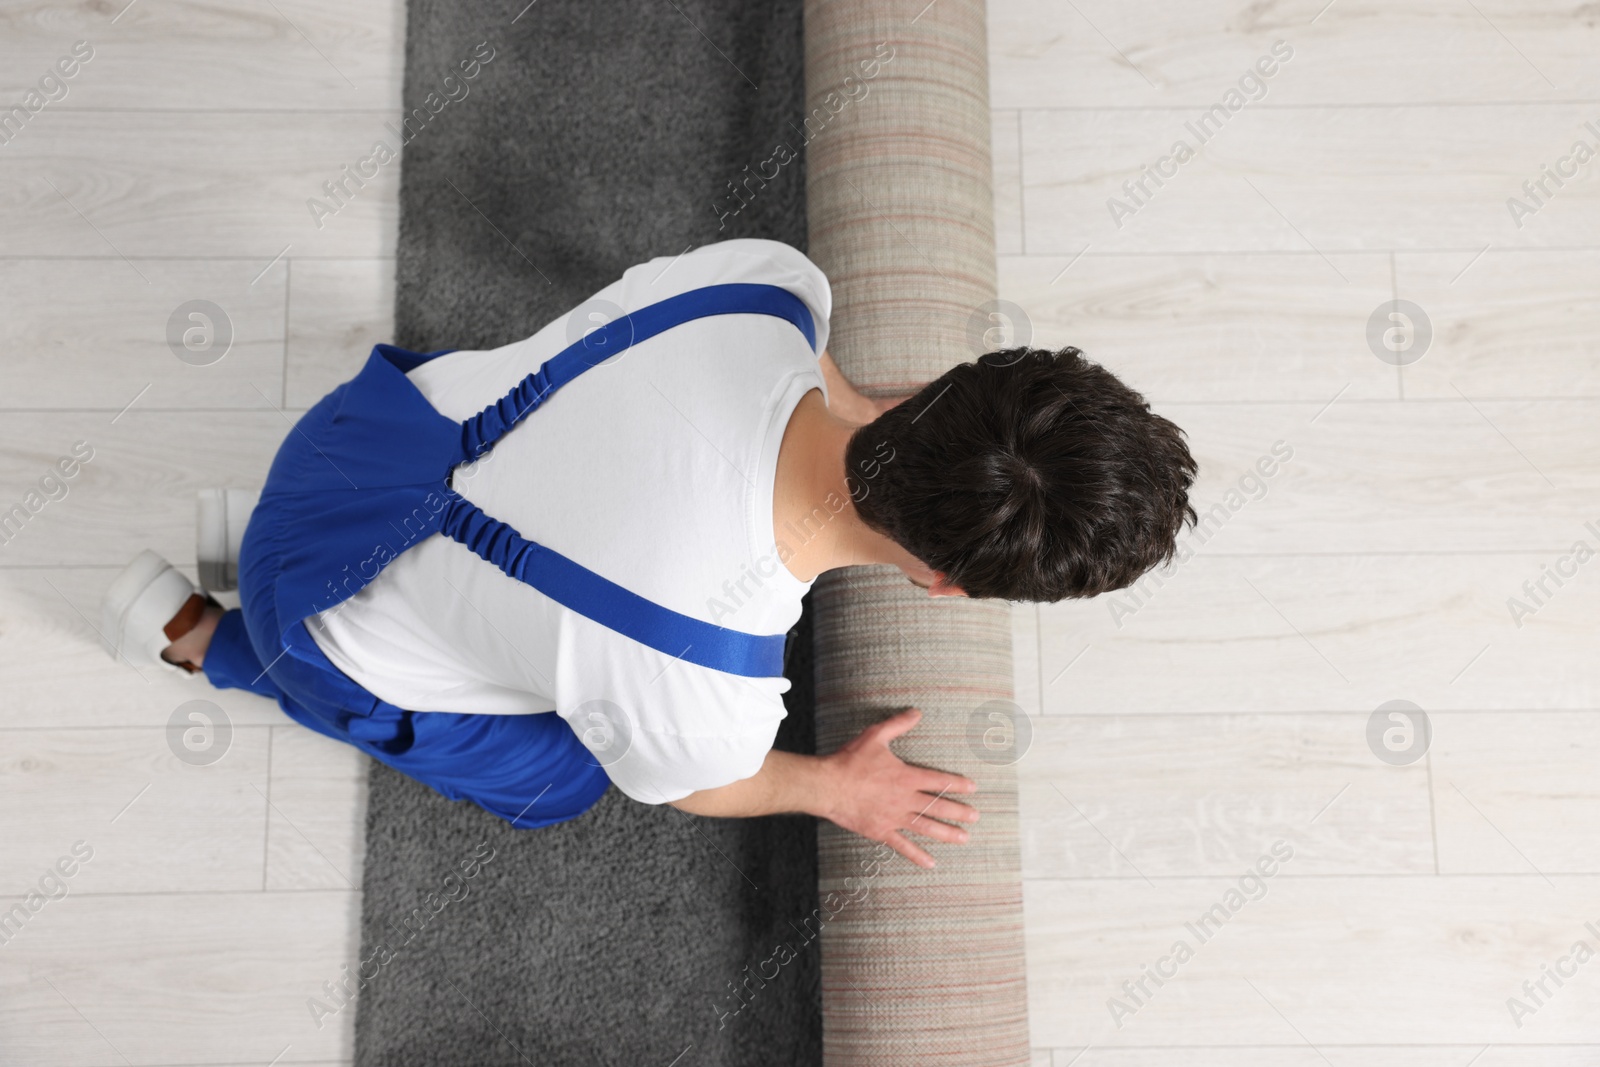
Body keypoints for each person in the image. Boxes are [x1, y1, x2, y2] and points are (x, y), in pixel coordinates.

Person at [100, 240, 1196, 869]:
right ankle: (212, 642)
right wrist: (832, 789)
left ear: (943, 384)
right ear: (940, 582)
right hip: (322, 629)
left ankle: (239, 529)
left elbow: (824, 384)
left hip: (346, 440)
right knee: (569, 777)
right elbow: (711, 786)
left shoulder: (768, 288)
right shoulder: (703, 689)